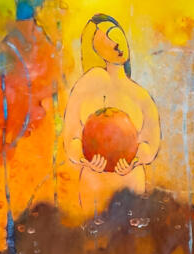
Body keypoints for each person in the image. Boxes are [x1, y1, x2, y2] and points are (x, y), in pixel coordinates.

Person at [60, 14, 161, 213]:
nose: (115, 42)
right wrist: (84, 158)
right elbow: (71, 137)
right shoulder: (87, 85)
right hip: (94, 185)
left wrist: (135, 160)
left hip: (131, 186)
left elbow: (151, 144)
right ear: (94, 47)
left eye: (116, 35)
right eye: (106, 38)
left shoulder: (139, 95)